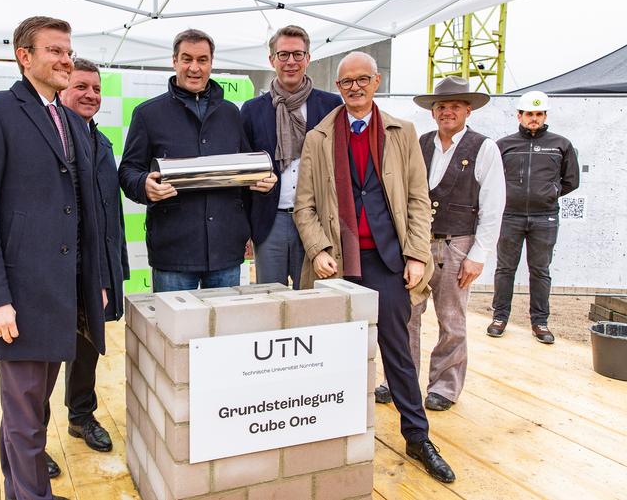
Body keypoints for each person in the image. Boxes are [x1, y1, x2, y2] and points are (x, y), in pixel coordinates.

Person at [0, 16, 106, 500]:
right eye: (55, 51)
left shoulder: (67, 120)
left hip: (60, 296)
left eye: (68, 50)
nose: (65, 59)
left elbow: (83, 212)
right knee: (25, 417)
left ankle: (19, 492)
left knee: (31, 410)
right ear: (25, 56)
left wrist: (94, 281)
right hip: (17, 299)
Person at [294, 51, 455, 483]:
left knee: (398, 352)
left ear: (376, 81)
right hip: (338, 263)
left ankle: (417, 436)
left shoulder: (403, 132)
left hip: (388, 259)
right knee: (333, 355)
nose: (354, 88)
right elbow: (304, 206)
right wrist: (318, 250)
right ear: (339, 87)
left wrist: (418, 254)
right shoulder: (319, 137)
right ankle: (329, 437)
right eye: (346, 82)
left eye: (362, 79)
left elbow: (419, 200)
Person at [379, 76, 504, 412]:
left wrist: (478, 255)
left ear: (467, 110)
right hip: (418, 243)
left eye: (454, 106)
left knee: (451, 318)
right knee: (406, 315)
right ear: (433, 112)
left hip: (457, 243)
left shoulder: (483, 147)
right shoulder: (421, 143)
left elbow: (493, 207)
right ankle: (399, 379)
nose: (447, 112)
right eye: (441, 107)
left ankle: (445, 386)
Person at [118, 29, 277, 292]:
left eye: (202, 60)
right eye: (187, 58)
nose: (194, 67)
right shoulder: (148, 114)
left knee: (222, 331)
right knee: (173, 333)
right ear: (174, 61)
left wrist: (264, 181)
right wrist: (143, 183)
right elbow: (128, 170)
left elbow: (248, 170)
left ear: (211, 63)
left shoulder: (231, 114)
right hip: (174, 251)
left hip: (226, 248)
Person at [40, 59, 129, 467]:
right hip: (55, 269)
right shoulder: (45, 140)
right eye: (81, 86)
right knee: (41, 360)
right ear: (62, 90)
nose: (90, 94)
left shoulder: (103, 143)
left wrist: (113, 269)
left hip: (94, 268)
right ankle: (31, 444)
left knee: (87, 347)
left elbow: (111, 213)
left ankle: (81, 416)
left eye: (96, 88)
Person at [241, 25, 342, 289]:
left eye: (298, 55)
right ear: (272, 59)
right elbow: (245, 165)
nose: (291, 62)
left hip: (316, 221)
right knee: (270, 300)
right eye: (283, 55)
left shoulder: (331, 106)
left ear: (308, 58)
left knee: (312, 299)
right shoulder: (252, 110)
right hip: (269, 220)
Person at [488, 91, 580, 343]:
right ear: (519, 115)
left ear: (545, 116)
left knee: (540, 271)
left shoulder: (561, 144)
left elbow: (571, 181)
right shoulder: (504, 145)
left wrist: (550, 193)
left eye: (539, 114)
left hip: (545, 218)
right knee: (505, 268)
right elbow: (492, 180)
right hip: (510, 217)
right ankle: (499, 317)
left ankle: (540, 322)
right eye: (529, 114)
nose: (534, 118)